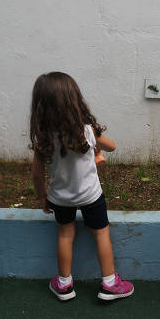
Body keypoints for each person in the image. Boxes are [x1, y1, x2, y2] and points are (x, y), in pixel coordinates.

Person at [29, 71, 133, 302]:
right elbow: (113, 146)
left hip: (59, 198)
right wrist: (97, 143)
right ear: (74, 99)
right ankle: (110, 283)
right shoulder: (87, 131)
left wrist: (41, 196)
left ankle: (64, 284)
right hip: (91, 196)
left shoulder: (43, 138)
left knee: (65, 235)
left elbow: (37, 173)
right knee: (101, 233)